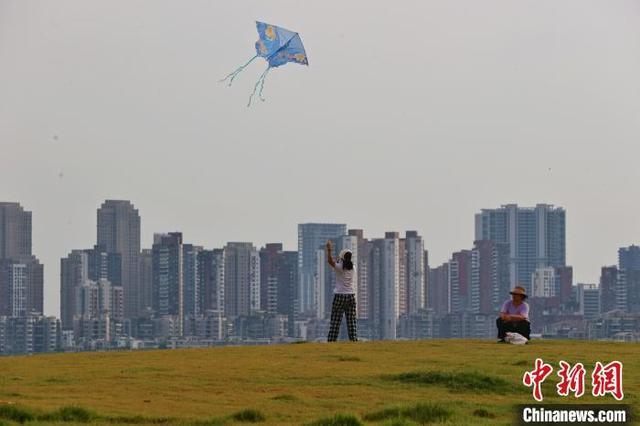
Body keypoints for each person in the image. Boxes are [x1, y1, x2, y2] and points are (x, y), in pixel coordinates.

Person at [325, 240, 358, 342]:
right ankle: (354, 341)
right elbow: (343, 263)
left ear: (342, 258)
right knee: (351, 322)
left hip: (339, 296)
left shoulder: (340, 267)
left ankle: (331, 341)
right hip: (351, 296)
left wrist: (329, 250)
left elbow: (330, 261)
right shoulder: (353, 268)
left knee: (335, 321)